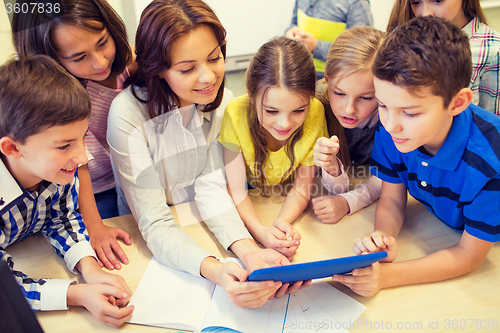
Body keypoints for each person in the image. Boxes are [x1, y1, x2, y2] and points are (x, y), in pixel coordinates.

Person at [107, 0, 308, 308]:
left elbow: (211, 188)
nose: (208, 77)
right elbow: (155, 223)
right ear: (157, 69)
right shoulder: (127, 115)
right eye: (187, 68)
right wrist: (218, 269)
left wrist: (248, 252)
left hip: (197, 220)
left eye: (214, 58)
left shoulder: (223, 102)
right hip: (151, 237)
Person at [333, 16, 499, 297]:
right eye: (383, 105)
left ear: (457, 103)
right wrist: (383, 239)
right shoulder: (394, 130)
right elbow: (392, 199)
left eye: (410, 112)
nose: (391, 124)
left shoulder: (489, 163)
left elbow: (469, 255)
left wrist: (386, 276)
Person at [0, 55, 134, 328]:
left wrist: (90, 268)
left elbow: (61, 219)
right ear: (13, 148)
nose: (82, 157)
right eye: (64, 146)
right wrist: (75, 294)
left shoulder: (59, 172)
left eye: (82, 138)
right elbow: (4, 288)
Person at [12, 0, 137, 271]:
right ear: (49, 58)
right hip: (86, 192)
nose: (100, 61)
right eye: (79, 57)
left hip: (130, 179)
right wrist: (92, 223)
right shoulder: (55, 98)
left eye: (103, 43)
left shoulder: (129, 63)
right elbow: (79, 164)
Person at [220, 36, 329, 259]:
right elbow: (237, 190)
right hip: (251, 200)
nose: (284, 124)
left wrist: (282, 222)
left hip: (286, 199)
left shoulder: (316, 111)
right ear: (251, 96)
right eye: (271, 111)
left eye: (299, 111)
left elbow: (301, 188)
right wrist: (260, 233)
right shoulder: (234, 113)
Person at [312, 26, 385, 224]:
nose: (349, 109)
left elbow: (386, 180)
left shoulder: (390, 116)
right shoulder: (315, 106)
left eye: (365, 97)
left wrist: (346, 202)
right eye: (340, 93)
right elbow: (333, 188)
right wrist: (330, 166)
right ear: (327, 79)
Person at [386, 0, 500, 116]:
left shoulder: (491, 48)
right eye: (416, 2)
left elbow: (491, 125)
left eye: (437, 1)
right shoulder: (398, 40)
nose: (426, 14)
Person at [285, 0, 373, 79]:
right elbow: (294, 21)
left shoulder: (356, 3)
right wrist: (290, 32)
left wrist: (316, 47)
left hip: (332, 81)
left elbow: (362, 51)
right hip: (298, 73)